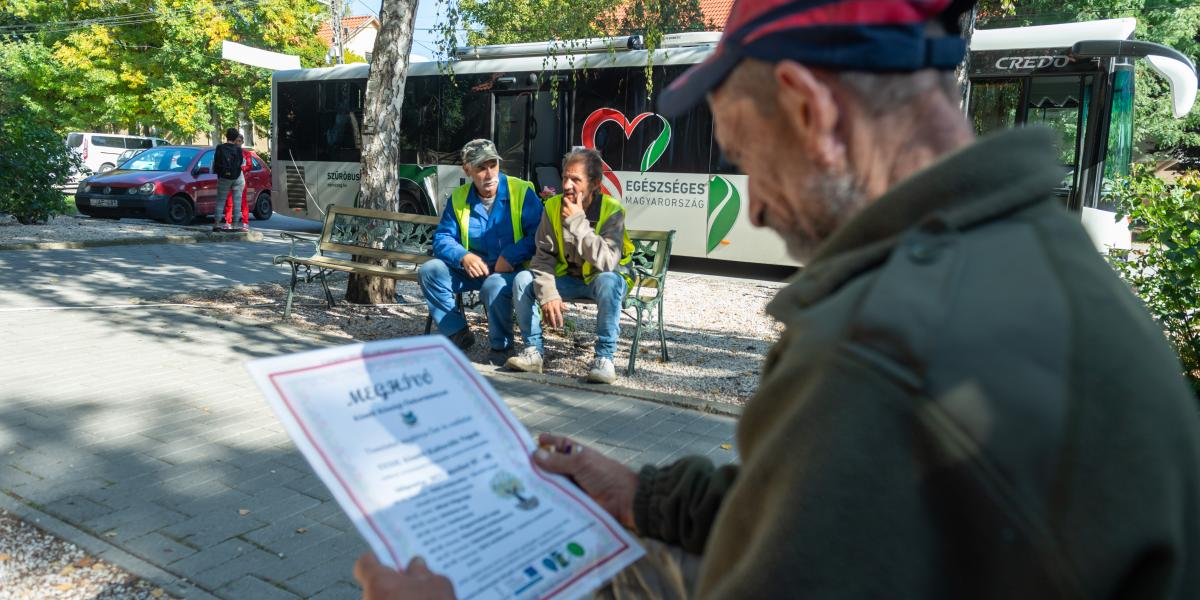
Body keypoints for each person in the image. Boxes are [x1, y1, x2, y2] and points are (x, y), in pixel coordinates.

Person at [355, 0, 1200, 597]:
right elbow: (820, 519)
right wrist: (642, 493)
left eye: (749, 160)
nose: (753, 206)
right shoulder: (1034, 256)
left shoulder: (878, 347)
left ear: (808, 106)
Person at [504, 148, 634, 385]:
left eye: (576, 179)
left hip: (602, 280)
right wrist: (548, 292)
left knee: (609, 280)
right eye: (565, 177)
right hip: (568, 279)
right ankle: (533, 352)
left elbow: (607, 261)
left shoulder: (612, 210)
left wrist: (577, 222)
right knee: (523, 280)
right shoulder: (552, 206)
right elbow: (543, 258)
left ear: (595, 183)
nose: (567, 185)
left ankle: (604, 359)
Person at [419, 139, 543, 363]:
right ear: (467, 170)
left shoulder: (521, 192)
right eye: (481, 168)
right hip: (472, 270)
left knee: (493, 285)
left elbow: (539, 236)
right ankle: (458, 333)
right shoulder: (459, 197)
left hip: (509, 271)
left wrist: (511, 256)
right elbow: (442, 238)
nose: (489, 174)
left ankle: (501, 348)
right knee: (430, 270)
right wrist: (463, 256)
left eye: (493, 165)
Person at [211, 128, 245, 233]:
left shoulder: (220, 147)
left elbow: (216, 162)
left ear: (226, 136)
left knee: (220, 201)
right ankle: (235, 225)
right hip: (237, 176)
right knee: (237, 202)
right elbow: (240, 163)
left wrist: (219, 174)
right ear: (235, 138)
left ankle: (216, 224)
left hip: (224, 177)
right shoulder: (238, 149)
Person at [221, 134, 253, 232]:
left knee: (243, 202)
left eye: (239, 141)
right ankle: (228, 223)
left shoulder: (246, 154)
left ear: (242, 142)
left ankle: (245, 223)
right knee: (229, 202)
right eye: (236, 141)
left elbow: (249, 165)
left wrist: (240, 168)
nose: (237, 143)